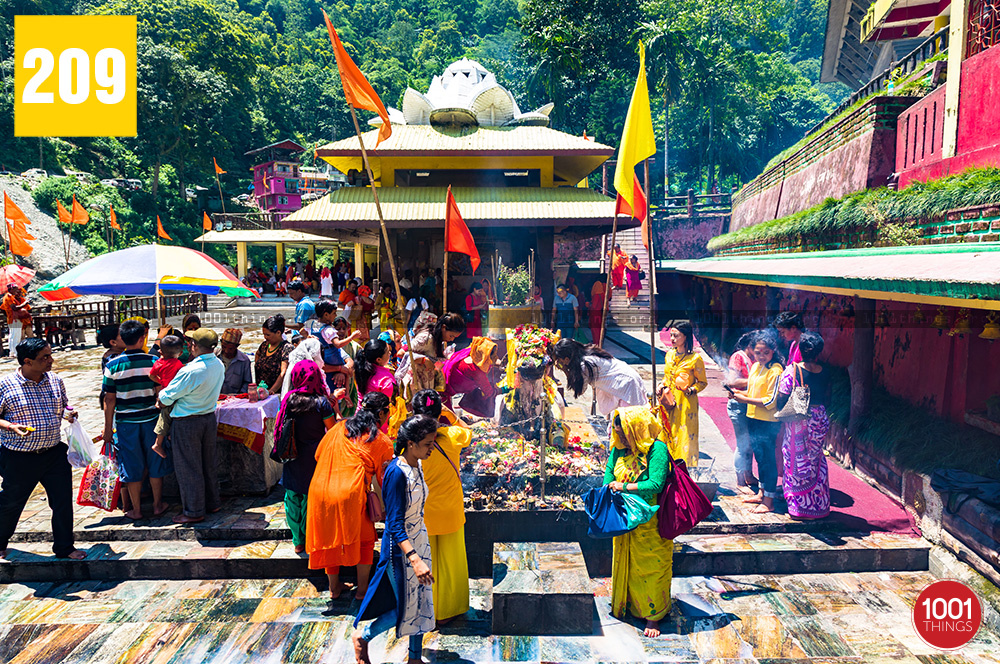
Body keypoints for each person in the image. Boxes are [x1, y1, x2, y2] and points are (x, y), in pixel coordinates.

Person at [353, 414, 440, 664]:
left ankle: (414, 658)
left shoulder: (418, 464)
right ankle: (363, 637)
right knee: (405, 606)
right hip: (401, 550)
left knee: (421, 601)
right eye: (427, 443)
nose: (431, 448)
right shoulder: (396, 472)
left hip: (419, 542)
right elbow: (394, 523)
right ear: (411, 443)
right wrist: (414, 559)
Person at [0, 338, 85, 560]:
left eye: (50, 354)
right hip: (19, 457)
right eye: (44, 357)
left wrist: (69, 413)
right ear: (27, 361)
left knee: (62, 501)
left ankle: (65, 547)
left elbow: (65, 404)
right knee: (11, 502)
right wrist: (10, 426)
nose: (51, 360)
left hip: (54, 452)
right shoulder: (6, 385)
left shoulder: (55, 380)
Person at [308, 392, 394, 600]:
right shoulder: (381, 441)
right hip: (351, 493)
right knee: (365, 540)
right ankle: (362, 590)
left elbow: (318, 455)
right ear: (382, 414)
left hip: (320, 490)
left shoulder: (338, 428)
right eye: (388, 413)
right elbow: (385, 479)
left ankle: (334, 587)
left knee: (329, 538)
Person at [605, 406, 673, 638]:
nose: (619, 437)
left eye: (624, 432)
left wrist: (624, 487)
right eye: (618, 433)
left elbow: (655, 484)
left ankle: (654, 617)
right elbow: (608, 475)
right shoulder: (619, 449)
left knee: (651, 567)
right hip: (624, 519)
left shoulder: (657, 450)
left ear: (637, 429)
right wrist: (608, 488)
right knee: (627, 564)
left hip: (651, 524)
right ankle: (630, 605)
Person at [412, 390, 471, 625]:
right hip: (450, 510)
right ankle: (449, 611)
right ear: (438, 413)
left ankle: (427, 610)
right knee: (451, 562)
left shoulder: (410, 443)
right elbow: (468, 431)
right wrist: (450, 414)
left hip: (422, 511)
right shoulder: (451, 436)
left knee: (427, 562)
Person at [102, 320, 171, 520]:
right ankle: (158, 505)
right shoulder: (153, 362)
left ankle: (137, 509)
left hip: (125, 424)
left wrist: (108, 429)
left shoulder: (112, 365)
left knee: (131, 465)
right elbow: (161, 394)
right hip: (152, 420)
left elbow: (109, 399)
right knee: (155, 463)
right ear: (142, 338)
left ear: (122, 338)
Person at [158, 328, 226, 524]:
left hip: (187, 422)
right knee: (208, 464)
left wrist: (162, 399)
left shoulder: (190, 370)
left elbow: (166, 396)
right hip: (207, 418)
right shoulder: (218, 364)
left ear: (193, 345)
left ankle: (194, 511)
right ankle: (213, 502)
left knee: (189, 467)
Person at [277, 360, 339, 554]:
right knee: (309, 497)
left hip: (292, 452)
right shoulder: (321, 403)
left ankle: (298, 540)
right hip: (314, 456)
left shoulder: (289, 400)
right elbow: (332, 428)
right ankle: (310, 535)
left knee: (292, 497)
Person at [776, 331, 831, 520]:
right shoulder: (825, 372)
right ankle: (818, 507)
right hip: (820, 419)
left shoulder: (792, 371)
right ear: (819, 352)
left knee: (794, 460)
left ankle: (799, 508)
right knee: (815, 459)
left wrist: (781, 415)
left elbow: (781, 397)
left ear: (800, 349)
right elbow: (828, 398)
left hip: (799, 420)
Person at [731, 331, 784, 514]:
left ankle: (769, 502)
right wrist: (738, 395)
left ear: (773, 351)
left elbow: (770, 401)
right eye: (758, 352)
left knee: (768, 461)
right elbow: (753, 392)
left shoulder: (776, 370)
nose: (761, 356)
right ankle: (761, 493)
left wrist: (744, 400)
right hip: (753, 418)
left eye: (765, 352)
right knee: (760, 459)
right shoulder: (755, 367)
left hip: (768, 422)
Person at [655, 320, 708, 468]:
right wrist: (661, 385)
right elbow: (667, 377)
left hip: (685, 403)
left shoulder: (695, 359)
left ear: (686, 337)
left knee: (683, 436)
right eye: (671, 335)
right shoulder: (670, 355)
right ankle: (665, 468)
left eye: (676, 336)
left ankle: (683, 470)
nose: (672, 339)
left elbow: (702, 382)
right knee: (665, 432)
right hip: (668, 401)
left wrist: (690, 390)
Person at [550, 338, 646, 417]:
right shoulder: (586, 351)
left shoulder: (584, 364)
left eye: (560, 360)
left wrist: (565, 370)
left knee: (629, 420)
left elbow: (580, 390)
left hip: (625, 384)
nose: (560, 363)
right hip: (623, 380)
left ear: (567, 359)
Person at [396, 313, 464, 395]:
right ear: (443, 328)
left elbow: (433, 362)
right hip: (414, 385)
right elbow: (401, 353)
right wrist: (423, 360)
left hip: (426, 385)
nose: (452, 339)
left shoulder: (438, 339)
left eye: (454, 337)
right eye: (451, 336)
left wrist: (443, 362)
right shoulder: (426, 338)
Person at [724, 332, 758, 495]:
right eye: (756, 348)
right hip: (739, 404)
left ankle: (749, 475)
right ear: (749, 345)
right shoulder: (739, 357)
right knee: (742, 443)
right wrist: (757, 380)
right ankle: (740, 481)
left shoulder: (755, 359)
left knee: (750, 443)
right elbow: (733, 381)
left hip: (750, 403)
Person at [442, 336, 499, 418]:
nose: (494, 358)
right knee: (447, 420)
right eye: (491, 357)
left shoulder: (471, 352)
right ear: (484, 356)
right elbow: (488, 392)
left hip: (443, 375)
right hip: (443, 391)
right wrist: (502, 390)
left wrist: (498, 363)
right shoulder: (476, 371)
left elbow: (491, 361)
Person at [256, 315, 292, 395]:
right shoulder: (264, 345)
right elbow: (257, 354)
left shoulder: (286, 348)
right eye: (264, 334)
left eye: (268, 335)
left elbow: (284, 372)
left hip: (277, 394)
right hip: (261, 393)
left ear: (278, 333)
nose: (265, 337)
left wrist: (271, 391)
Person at [217, 328, 253, 395]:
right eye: (224, 347)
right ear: (221, 342)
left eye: (230, 348)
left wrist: (239, 397)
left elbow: (247, 383)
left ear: (237, 346)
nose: (226, 351)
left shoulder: (244, 361)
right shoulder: (214, 357)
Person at [2, 285, 33, 352]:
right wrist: (25, 303)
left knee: (13, 335)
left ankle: (12, 352)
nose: (17, 292)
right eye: (16, 290)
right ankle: (16, 352)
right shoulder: (9, 297)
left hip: (12, 318)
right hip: (14, 318)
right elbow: (14, 308)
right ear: (12, 289)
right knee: (16, 336)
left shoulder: (9, 297)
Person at [588, 274, 610, 345]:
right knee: (600, 328)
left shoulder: (597, 294)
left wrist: (589, 306)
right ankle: (599, 342)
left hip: (595, 312)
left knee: (595, 329)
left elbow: (594, 306)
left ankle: (596, 343)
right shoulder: (606, 288)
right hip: (602, 311)